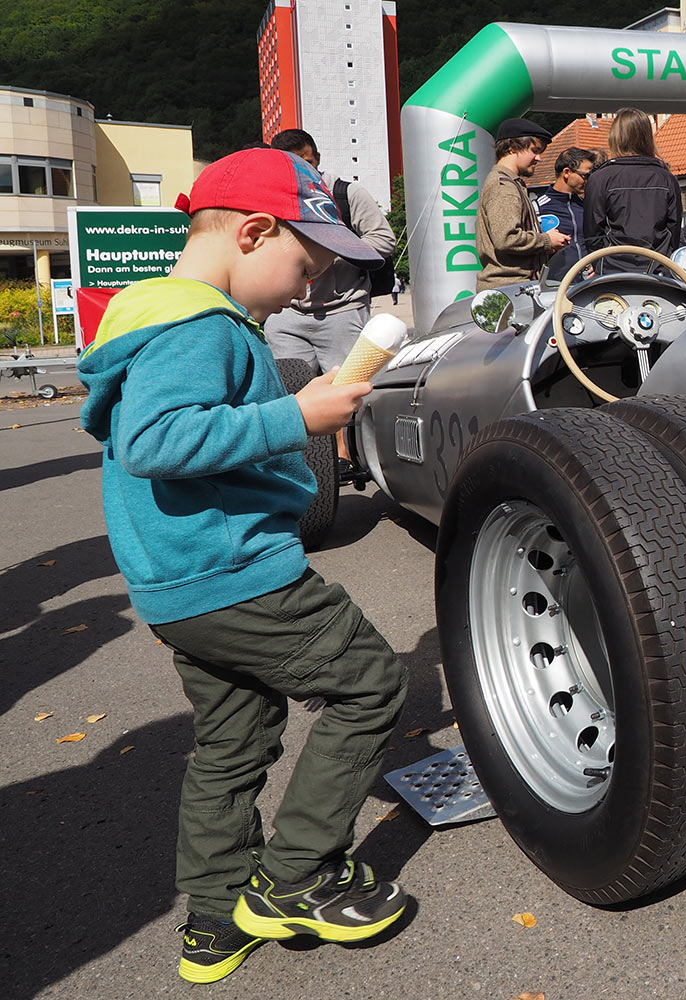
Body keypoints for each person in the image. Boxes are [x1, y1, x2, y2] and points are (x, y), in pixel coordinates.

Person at [76, 148, 410, 985]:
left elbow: (141, 429)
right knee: (370, 682)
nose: (306, 288)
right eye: (307, 265)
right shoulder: (201, 326)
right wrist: (295, 413)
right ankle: (298, 876)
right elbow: (157, 443)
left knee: (234, 741)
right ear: (256, 231)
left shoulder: (148, 318)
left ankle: (217, 920)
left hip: (179, 584)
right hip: (236, 571)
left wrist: (287, 407)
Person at [263, 129, 397, 375]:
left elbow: (384, 240)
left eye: (307, 163)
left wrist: (333, 250)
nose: (300, 170)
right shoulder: (270, 198)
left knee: (351, 392)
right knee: (291, 394)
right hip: (286, 313)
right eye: (290, 164)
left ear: (318, 158)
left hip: (342, 311)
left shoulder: (346, 193)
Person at [584, 107, 681, 274]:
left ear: (615, 137)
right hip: (657, 270)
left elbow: (592, 232)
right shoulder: (666, 178)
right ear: (647, 137)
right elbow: (674, 230)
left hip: (613, 270)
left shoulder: (600, 179)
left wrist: (601, 261)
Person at [476, 118, 569, 290]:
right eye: (535, 150)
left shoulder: (511, 183)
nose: (539, 158)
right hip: (510, 289)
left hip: (515, 288)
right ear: (512, 147)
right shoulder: (503, 187)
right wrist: (547, 240)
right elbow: (507, 239)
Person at [535, 146, 596, 273]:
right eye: (585, 176)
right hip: (554, 287)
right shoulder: (538, 208)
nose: (588, 181)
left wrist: (597, 265)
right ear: (567, 172)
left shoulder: (587, 205)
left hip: (587, 285)